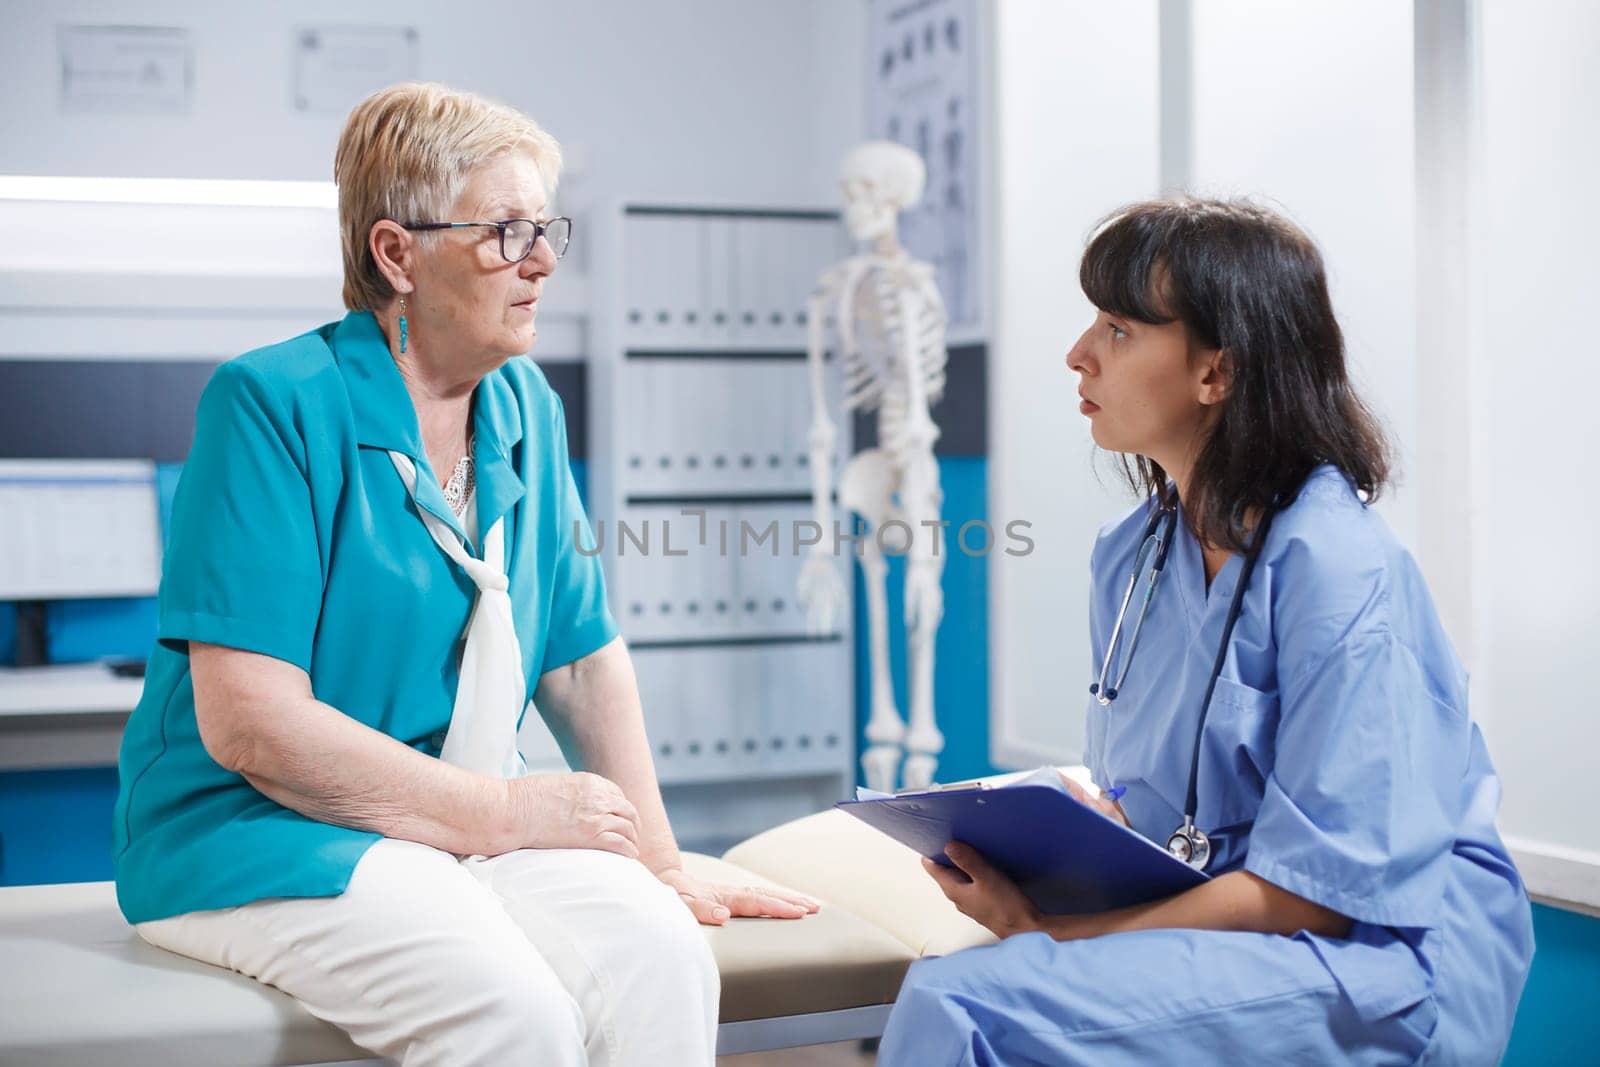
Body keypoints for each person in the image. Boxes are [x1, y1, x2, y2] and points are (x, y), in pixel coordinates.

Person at [111, 82, 817, 1067]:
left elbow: (580, 660)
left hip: (461, 822)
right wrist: (514, 812)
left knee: (662, 953)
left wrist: (655, 854)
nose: (540, 261)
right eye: (505, 231)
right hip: (258, 828)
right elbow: (252, 723)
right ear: (395, 252)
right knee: (508, 1009)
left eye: (545, 228)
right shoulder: (272, 403)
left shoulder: (524, 403)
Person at [876, 197, 1534, 1064]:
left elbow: (1321, 893)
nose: (1078, 354)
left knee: (966, 1004)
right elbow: (1157, 811)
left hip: (1374, 957)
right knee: (971, 979)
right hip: (1235, 918)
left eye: (1117, 328)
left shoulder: (1338, 571)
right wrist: (1072, 852)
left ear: (1215, 373)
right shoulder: (1133, 557)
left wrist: (1064, 933)